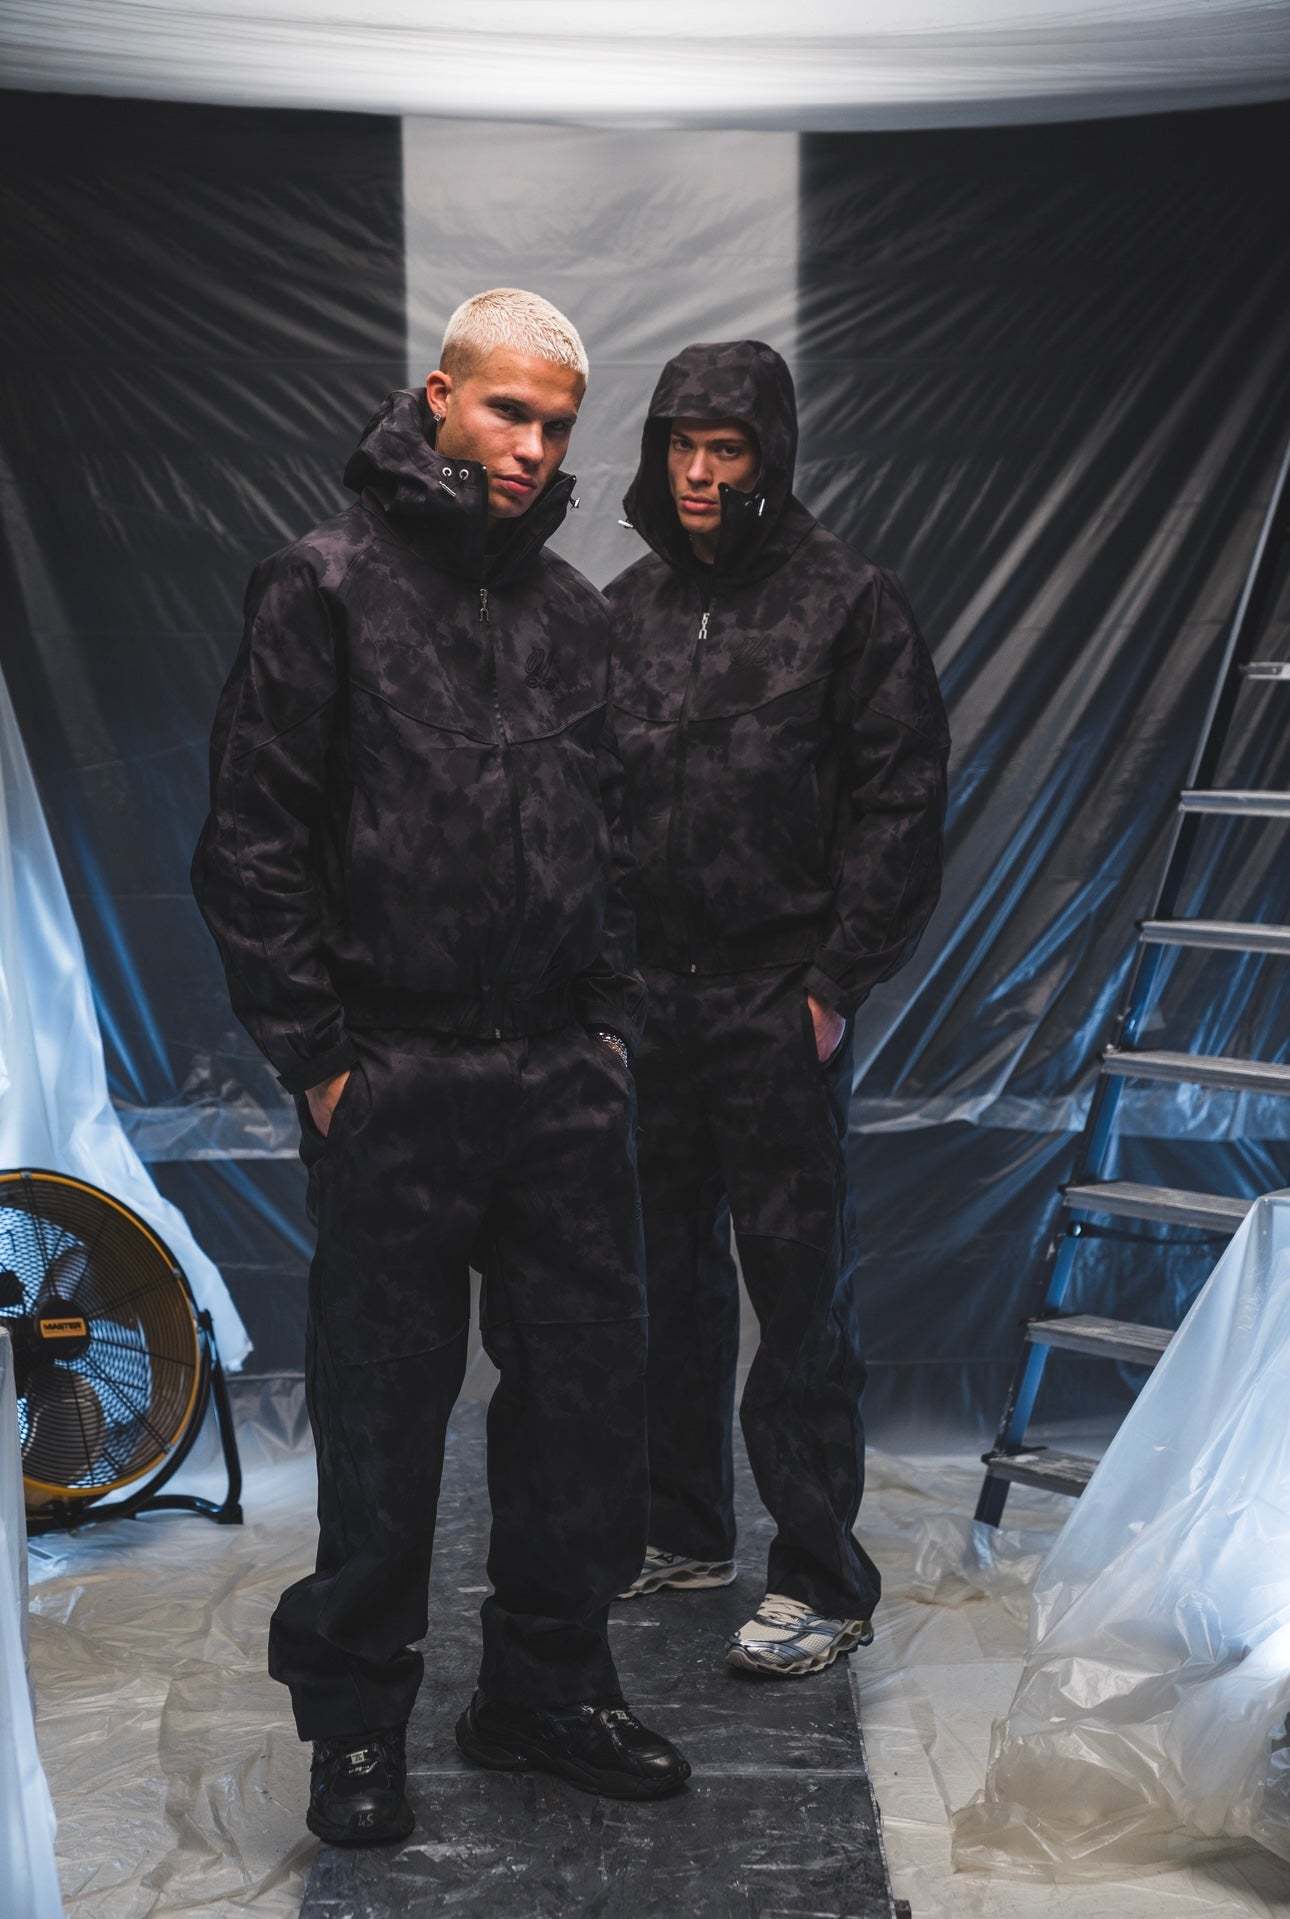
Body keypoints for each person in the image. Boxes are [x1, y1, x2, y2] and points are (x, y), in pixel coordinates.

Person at [191, 288, 690, 1848]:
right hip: (392, 1075)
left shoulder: (575, 615)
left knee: (583, 1410)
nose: (533, 447)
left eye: (557, 423)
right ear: (437, 398)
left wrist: (605, 1030)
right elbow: (252, 842)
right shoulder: (322, 587)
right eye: (507, 410)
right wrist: (320, 1061)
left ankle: (543, 1690)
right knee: (381, 1417)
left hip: (557, 1081)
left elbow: (618, 840)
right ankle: (356, 1723)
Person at [606, 339, 949, 1677]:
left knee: (797, 1294)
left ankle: (821, 1579)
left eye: (726, 447)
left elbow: (900, 800)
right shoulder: (625, 607)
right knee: (662, 1282)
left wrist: (833, 981)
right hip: (649, 1000)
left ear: (770, 455)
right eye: (681, 445)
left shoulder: (845, 603)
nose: (698, 472)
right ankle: (681, 1528)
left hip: (773, 998)